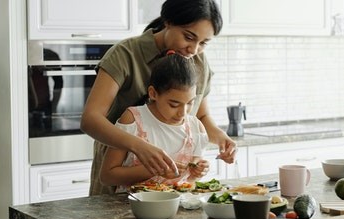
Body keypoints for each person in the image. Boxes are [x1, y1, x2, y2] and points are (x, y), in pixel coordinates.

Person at [81, 0, 237, 195]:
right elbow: (90, 120)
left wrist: (221, 138)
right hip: (119, 173)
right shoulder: (125, 54)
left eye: (203, 43)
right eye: (189, 37)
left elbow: (201, 117)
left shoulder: (198, 62)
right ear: (168, 22)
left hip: (170, 189)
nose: (194, 49)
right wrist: (139, 147)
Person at [100, 53, 210, 192]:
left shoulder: (196, 127)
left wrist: (199, 171)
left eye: (190, 103)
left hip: (178, 208)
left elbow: (191, 180)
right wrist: (154, 170)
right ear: (153, 93)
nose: (183, 113)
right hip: (132, 207)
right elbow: (107, 176)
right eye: (174, 104)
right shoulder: (133, 119)